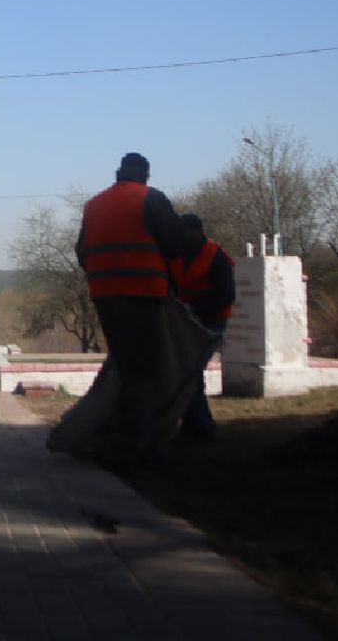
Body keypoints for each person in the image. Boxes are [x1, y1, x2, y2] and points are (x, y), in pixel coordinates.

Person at [75, 151, 186, 472]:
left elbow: (82, 252)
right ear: (145, 175)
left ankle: (117, 437)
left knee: (126, 368)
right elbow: (177, 242)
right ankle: (133, 446)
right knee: (145, 373)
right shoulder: (150, 199)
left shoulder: (93, 205)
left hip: (105, 297)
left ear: (118, 173)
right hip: (142, 295)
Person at [171, 212, 234, 441]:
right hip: (187, 321)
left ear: (198, 233)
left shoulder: (217, 258)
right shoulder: (176, 256)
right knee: (188, 373)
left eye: (185, 235)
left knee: (191, 371)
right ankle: (195, 426)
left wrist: (194, 309)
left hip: (211, 321)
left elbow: (226, 295)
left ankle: (201, 428)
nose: (182, 240)